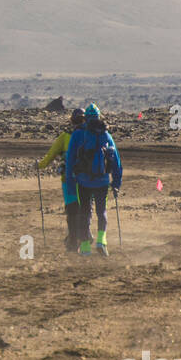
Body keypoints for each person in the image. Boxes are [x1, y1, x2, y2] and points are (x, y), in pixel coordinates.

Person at [65, 103, 122, 256]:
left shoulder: (77, 135)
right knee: (101, 211)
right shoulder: (106, 135)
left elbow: (70, 159)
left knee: (84, 212)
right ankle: (101, 242)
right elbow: (116, 162)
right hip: (102, 181)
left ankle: (84, 247)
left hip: (83, 181)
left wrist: (70, 180)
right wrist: (116, 183)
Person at [36, 108, 85, 251]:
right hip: (87, 181)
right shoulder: (90, 136)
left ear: (71, 121)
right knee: (84, 210)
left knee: (71, 210)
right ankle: (84, 238)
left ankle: (72, 241)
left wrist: (39, 166)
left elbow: (50, 156)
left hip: (68, 180)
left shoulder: (65, 137)